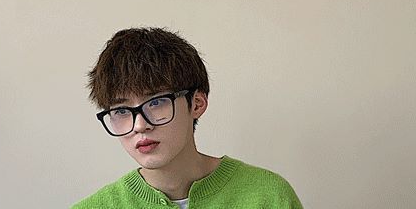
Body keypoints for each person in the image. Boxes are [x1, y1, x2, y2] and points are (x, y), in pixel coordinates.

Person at [72, 26, 305, 207]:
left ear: (197, 103)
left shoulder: (269, 196)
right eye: (121, 111)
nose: (140, 125)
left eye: (156, 102)